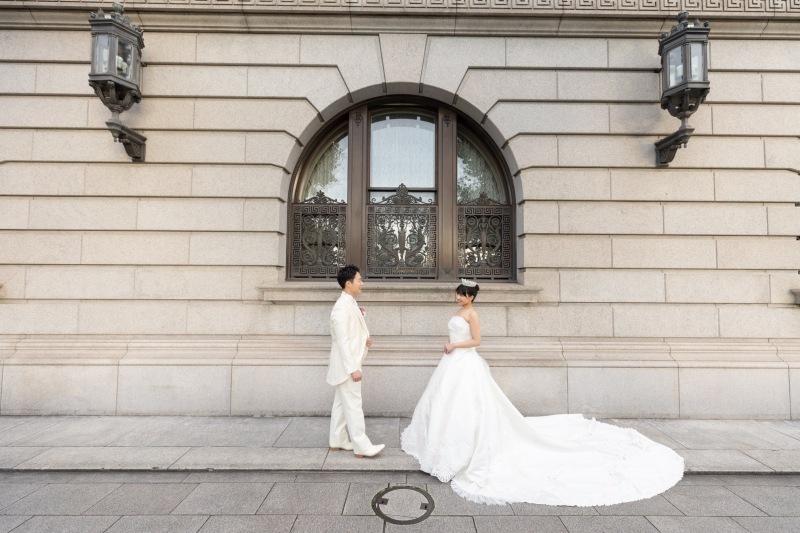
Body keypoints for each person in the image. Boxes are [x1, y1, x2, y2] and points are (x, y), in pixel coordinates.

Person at [401, 279, 684, 506]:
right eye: (457, 294)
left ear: (471, 297)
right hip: (451, 363)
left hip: (464, 362)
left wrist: (455, 346)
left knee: (469, 405)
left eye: (462, 295)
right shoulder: (457, 313)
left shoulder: (473, 314)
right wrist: (449, 344)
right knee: (443, 402)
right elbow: (458, 335)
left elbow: (476, 341)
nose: (458, 298)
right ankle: (439, 443)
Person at [327, 265, 385, 458]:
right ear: (348, 283)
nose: (362, 283)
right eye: (359, 280)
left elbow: (351, 335)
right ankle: (362, 446)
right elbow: (342, 341)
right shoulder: (341, 308)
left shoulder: (349, 303)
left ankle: (337, 440)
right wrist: (353, 369)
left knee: (341, 404)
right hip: (347, 366)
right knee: (353, 405)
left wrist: (364, 340)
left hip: (348, 363)